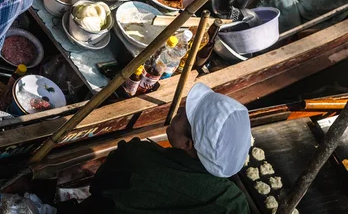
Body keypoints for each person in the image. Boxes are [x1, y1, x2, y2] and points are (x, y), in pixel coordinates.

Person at [68, 83, 252, 214]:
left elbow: (98, 186)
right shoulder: (234, 203)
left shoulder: (136, 157)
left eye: (182, 115)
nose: (179, 110)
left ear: (187, 144)